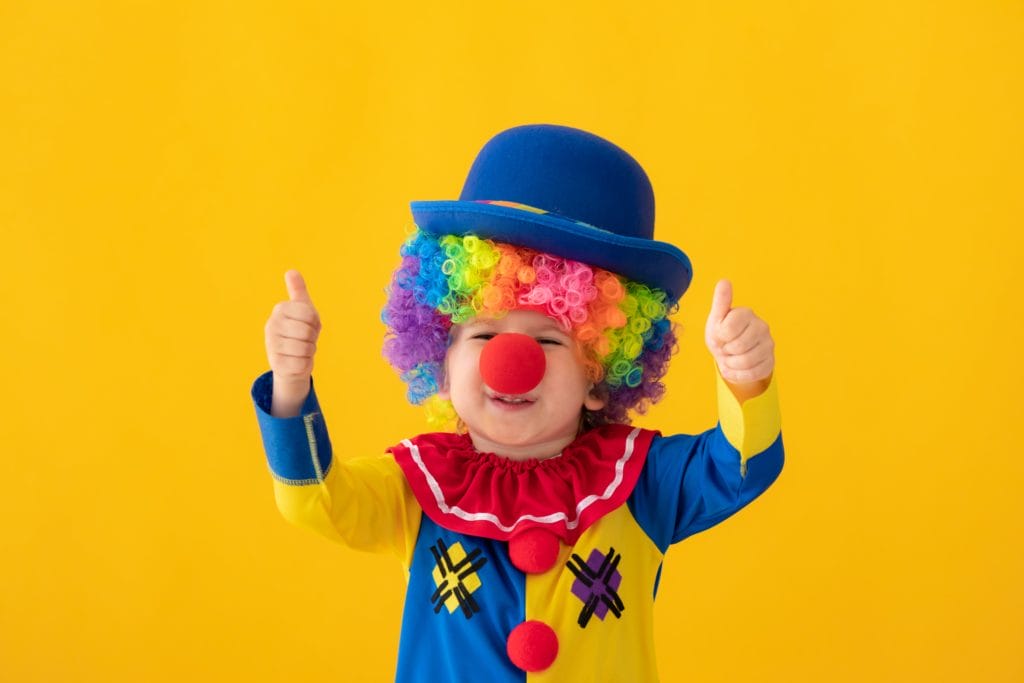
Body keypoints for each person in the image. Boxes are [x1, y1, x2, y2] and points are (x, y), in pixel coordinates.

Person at [251, 124, 784, 682]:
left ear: (600, 374)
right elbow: (317, 501)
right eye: (482, 336)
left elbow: (742, 467)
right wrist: (291, 388)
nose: (509, 360)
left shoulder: (639, 481)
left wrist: (745, 379)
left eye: (549, 340)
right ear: (439, 360)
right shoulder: (420, 486)